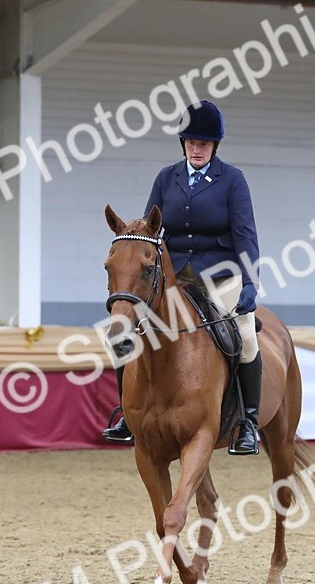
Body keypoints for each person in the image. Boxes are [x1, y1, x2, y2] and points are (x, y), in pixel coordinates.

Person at [103, 100, 262, 455]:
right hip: (174, 281)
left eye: (203, 143)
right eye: (191, 142)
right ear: (183, 144)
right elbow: (148, 231)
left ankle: (247, 422)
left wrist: (250, 282)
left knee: (247, 338)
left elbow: (246, 235)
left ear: (214, 146)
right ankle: (128, 415)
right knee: (125, 330)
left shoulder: (232, 180)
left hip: (220, 278)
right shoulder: (166, 177)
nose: (196, 148)